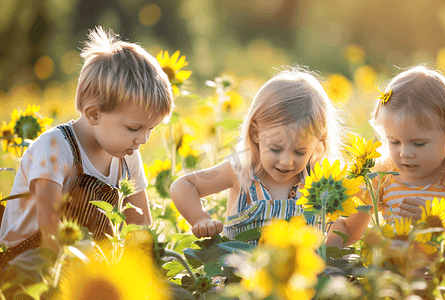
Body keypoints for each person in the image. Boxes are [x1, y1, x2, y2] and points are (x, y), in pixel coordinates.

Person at [0, 26, 173, 267]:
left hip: (87, 265)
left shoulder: (127, 156)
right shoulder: (55, 148)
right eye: (134, 128)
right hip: (28, 265)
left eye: (150, 129)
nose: (143, 139)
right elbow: (49, 228)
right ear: (93, 114)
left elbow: (140, 225)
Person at [170, 67, 345, 242]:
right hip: (239, 268)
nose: (286, 161)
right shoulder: (241, 172)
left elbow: (339, 230)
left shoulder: (316, 181)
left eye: (300, 152)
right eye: (276, 149)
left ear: (317, 145)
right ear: (255, 134)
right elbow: (183, 186)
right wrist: (200, 218)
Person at [327, 65, 445, 248]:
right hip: (393, 273)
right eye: (394, 142)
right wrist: (330, 242)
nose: (405, 153)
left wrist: (431, 223)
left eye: (418, 143)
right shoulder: (381, 177)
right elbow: (351, 230)